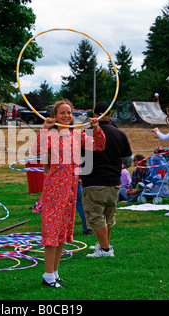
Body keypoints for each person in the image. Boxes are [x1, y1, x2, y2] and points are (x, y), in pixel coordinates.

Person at [31, 99, 105, 288]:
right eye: (62, 113)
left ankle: (54, 273)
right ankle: (48, 276)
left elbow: (98, 145)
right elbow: (36, 151)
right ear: (55, 116)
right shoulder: (51, 134)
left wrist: (97, 128)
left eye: (69, 112)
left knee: (62, 233)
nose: (66, 116)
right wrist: (44, 129)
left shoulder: (76, 134)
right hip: (55, 190)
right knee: (52, 233)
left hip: (71, 190)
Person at [81, 101, 132, 258]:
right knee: (108, 217)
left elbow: (81, 159)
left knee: (97, 216)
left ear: (94, 115)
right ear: (110, 115)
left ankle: (104, 250)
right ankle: (105, 245)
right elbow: (128, 161)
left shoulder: (87, 134)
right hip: (114, 182)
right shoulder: (120, 133)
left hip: (94, 181)